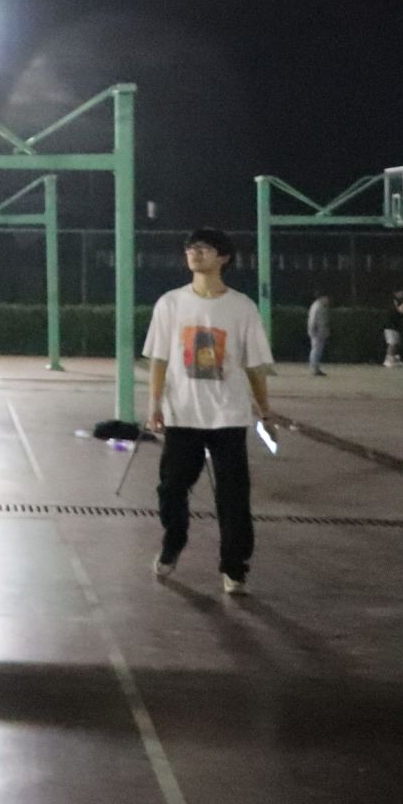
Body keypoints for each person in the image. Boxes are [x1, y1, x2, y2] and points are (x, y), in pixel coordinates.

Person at [146, 228, 273, 596]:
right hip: (182, 415)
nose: (194, 253)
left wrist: (265, 412)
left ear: (224, 258)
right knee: (171, 488)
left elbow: (254, 365)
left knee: (233, 499)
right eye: (190, 248)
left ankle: (234, 567)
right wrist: (154, 404)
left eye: (203, 248)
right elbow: (158, 359)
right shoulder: (170, 304)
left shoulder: (242, 307)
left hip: (228, 417)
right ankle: (174, 541)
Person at [306, 292, 330, 377]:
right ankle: (314, 368)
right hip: (317, 333)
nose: (327, 300)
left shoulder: (318, 306)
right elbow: (313, 321)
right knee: (316, 350)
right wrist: (314, 332)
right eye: (326, 298)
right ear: (321, 297)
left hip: (319, 332)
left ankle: (315, 368)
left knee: (317, 351)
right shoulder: (318, 307)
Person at [386, 290, 403, 368]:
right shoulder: (393, 302)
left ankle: (395, 360)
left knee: (397, 343)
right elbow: (399, 310)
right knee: (392, 343)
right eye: (400, 292)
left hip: (396, 326)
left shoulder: (399, 301)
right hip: (390, 326)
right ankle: (388, 361)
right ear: (395, 293)